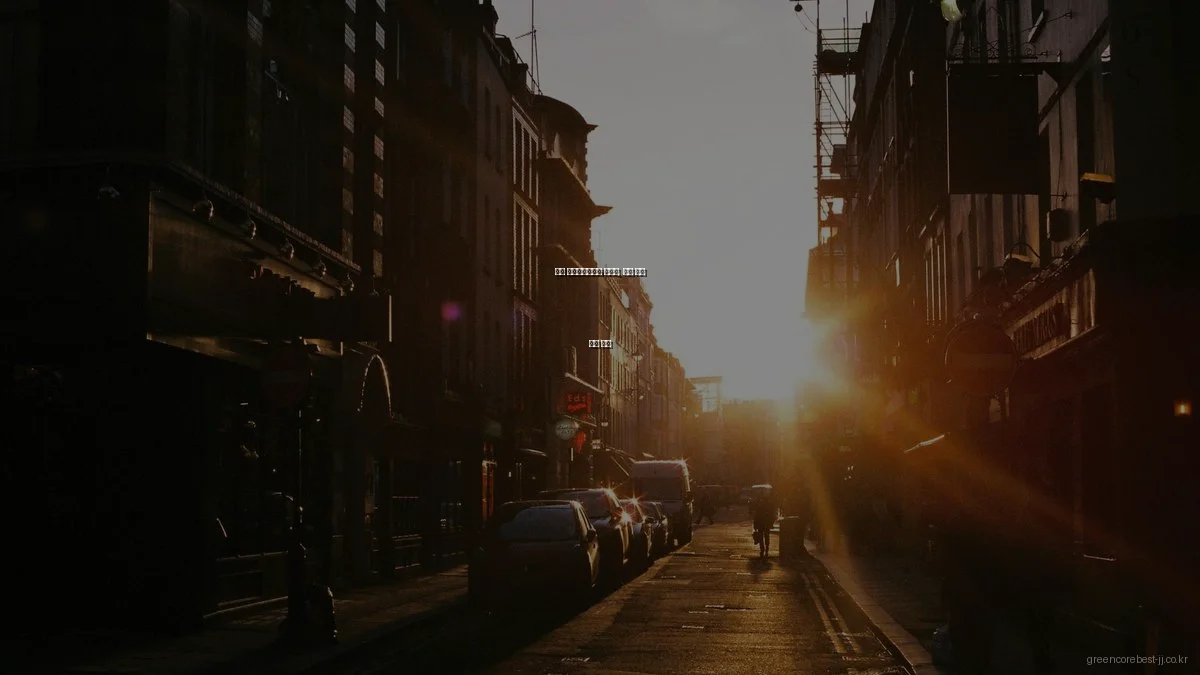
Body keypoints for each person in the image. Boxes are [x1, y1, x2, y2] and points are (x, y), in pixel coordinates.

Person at [752, 491, 778, 558]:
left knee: (761, 537)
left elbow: (756, 516)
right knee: (766, 536)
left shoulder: (760, 506)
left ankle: (762, 549)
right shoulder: (769, 505)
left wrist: (755, 524)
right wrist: (771, 522)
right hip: (766, 523)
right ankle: (766, 549)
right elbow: (772, 515)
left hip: (761, 523)